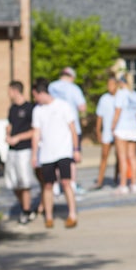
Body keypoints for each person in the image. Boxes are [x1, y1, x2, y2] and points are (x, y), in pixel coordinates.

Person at [31, 78, 80, 228]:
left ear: (41, 93)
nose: (34, 99)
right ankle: (49, 216)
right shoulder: (37, 110)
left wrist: (76, 149)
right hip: (46, 153)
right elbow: (36, 133)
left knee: (66, 182)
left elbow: (73, 129)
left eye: (35, 95)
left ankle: (72, 214)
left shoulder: (63, 106)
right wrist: (34, 154)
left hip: (63, 151)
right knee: (47, 185)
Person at [48, 66, 87, 194]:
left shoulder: (51, 87)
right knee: (71, 158)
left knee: (55, 157)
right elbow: (82, 107)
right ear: (71, 77)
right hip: (72, 127)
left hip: (54, 128)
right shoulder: (74, 88)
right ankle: (72, 183)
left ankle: (55, 185)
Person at [5, 81, 37, 224]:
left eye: (9, 91)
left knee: (24, 182)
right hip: (12, 150)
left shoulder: (30, 108)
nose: (8, 94)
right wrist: (8, 134)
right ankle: (27, 208)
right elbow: (11, 125)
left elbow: (34, 131)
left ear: (15, 91)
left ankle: (26, 210)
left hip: (24, 149)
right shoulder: (12, 109)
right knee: (12, 183)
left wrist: (18, 138)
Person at [112, 74, 136, 195]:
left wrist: (112, 126)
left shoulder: (120, 94)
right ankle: (134, 184)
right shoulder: (135, 95)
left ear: (121, 82)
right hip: (133, 128)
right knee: (133, 157)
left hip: (122, 128)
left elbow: (117, 112)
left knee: (122, 158)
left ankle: (123, 185)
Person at [93, 75, 120, 189]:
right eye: (108, 84)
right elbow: (99, 116)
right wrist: (98, 131)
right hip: (107, 131)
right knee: (104, 155)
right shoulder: (104, 98)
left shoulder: (120, 97)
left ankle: (116, 177)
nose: (109, 87)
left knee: (119, 156)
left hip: (119, 131)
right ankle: (100, 180)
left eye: (112, 84)